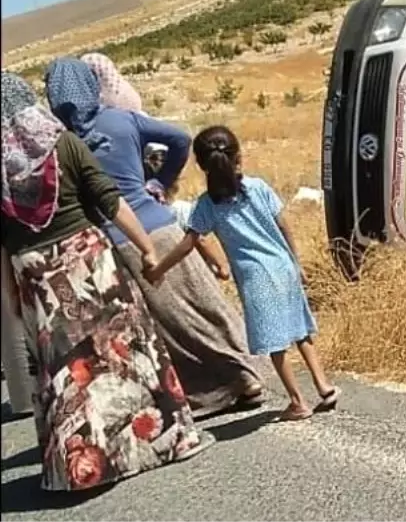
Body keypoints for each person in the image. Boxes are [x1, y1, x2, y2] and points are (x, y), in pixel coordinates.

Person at [0, 72, 212, 492]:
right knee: (125, 353)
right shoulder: (63, 142)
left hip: (36, 276)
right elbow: (108, 199)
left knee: (66, 372)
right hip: (91, 261)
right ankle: (163, 442)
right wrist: (148, 250)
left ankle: (79, 471)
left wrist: (13, 297)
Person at [43, 58, 264, 417]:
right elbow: (179, 139)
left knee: (171, 323)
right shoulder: (120, 119)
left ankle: (214, 390)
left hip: (121, 242)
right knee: (204, 303)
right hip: (163, 227)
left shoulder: (62, 143)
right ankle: (248, 374)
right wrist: (158, 182)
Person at [145, 126, 340, 422]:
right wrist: (296, 261)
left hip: (255, 277)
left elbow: (188, 245)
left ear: (200, 165)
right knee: (301, 331)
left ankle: (297, 401)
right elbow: (284, 224)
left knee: (276, 345)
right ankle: (324, 386)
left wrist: (158, 269)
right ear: (239, 158)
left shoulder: (206, 206)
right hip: (283, 265)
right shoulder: (258, 187)